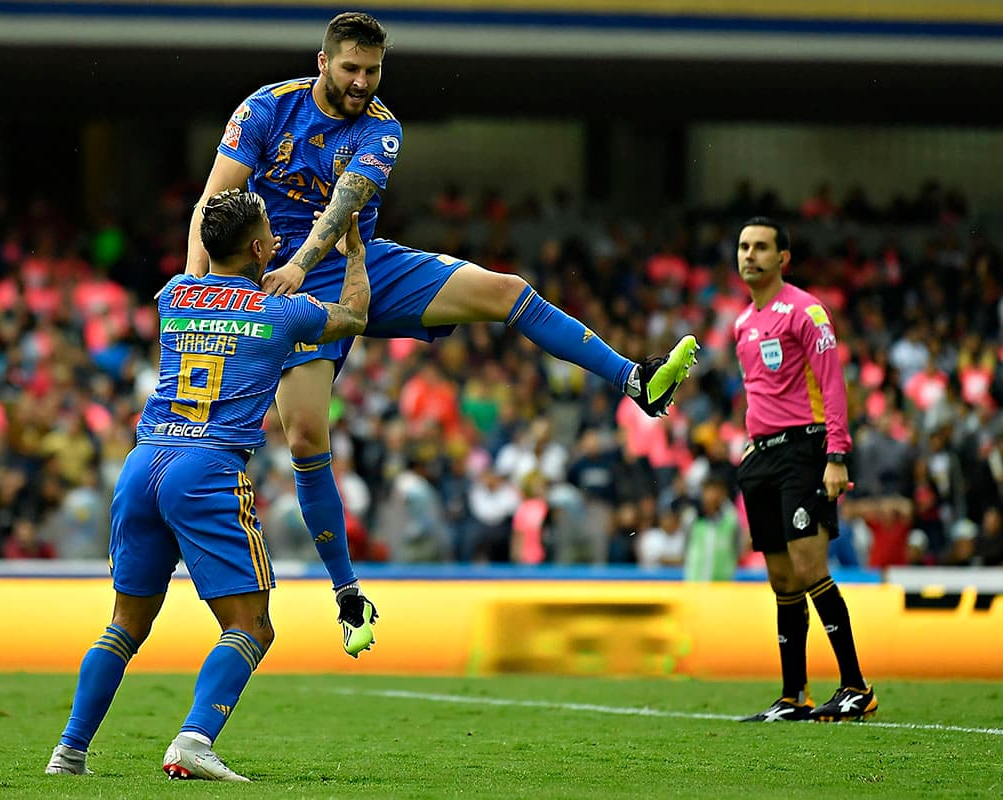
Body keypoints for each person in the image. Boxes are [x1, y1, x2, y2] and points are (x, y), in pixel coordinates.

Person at [186, 11, 699, 629]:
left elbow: (344, 207)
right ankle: (348, 595)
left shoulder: (383, 130)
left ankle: (633, 379)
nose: (361, 81)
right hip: (274, 278)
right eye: (350, 68)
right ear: (322, 63)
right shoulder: (268, 108)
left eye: (372, 71)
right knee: (304, 437)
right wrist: (199, 291)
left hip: (354, 265)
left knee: (505, 290)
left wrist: (301, 264)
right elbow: (213, 203)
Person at [45, 189, 373, 781]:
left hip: (143, 463)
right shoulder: (281, 313)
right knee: (251, 625)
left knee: (125, 624)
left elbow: (207, 279)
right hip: (206, 469)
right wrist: (353, 254)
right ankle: (194, 740)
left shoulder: (174, 296)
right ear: (256, 247)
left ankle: (69, 751)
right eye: (270, 231)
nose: (276, 239)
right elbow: (354, 317)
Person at [732, 217, 877, 723]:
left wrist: (836, 454)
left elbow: (831, 384)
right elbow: (761, 393)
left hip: (806, 451)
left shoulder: (806, 312)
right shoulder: (742, 324)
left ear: (783, 258)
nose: (750, 255)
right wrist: (751, 447)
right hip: (762, 456)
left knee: (812, 566)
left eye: (761, 247)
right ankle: (794, 694)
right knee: (781, 578)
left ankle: (856, 686)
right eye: (744, 246)